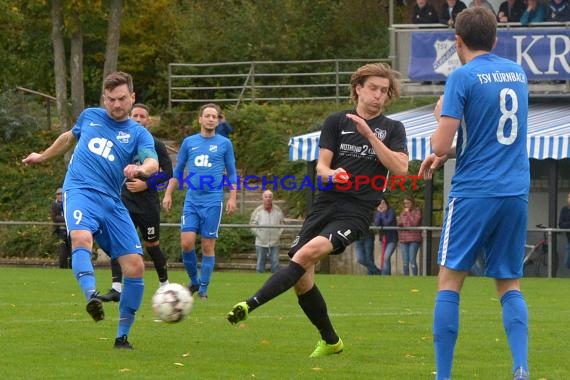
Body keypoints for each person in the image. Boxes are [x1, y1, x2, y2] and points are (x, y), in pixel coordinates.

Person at [226, 62, 409, 358]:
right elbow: (322, 167)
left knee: (305, 255)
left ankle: (251, 304)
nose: (378, 95)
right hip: (324, 205)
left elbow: (401, 168)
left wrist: (371, 136)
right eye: (372, 88)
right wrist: (331, 173)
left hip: (357, 211)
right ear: (358, 89)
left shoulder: (392, 129)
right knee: (302, 277)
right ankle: (330, 340)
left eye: (384, 91)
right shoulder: (336, 122)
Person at [418, 7, 530, 380]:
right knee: (508, 282)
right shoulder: (517, 73)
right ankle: (520, 368)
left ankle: (443, 376)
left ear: (458, 40)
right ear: (496, 39)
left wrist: (439, 119)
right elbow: (484, 138)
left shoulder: (462, 77)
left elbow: (441, 141)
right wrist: (445, 152)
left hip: (473, 191)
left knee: (449, 281)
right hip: (514, 190)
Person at [23, 71, 159, 350]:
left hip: (112, 201)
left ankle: (122, 337)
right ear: (104, 99)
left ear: (132, 97)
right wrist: (42, 156)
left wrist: (140, 169)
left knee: (135, 266)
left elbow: (152, 163)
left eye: (122, 99)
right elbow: (67, 138)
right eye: (110, 99)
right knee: (81, 238)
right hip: (80, 190)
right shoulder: (90, 116)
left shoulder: (138, 133)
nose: (116, 105)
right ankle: (92, 296)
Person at [98, 103, 173, 302]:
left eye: (142, 116)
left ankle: (165, 286)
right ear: (130, 117)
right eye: (135, 115)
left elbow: (167, 173)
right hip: (123, 200)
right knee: (118, 241)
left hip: (147, 203)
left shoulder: (156, 144)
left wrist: (146, 184)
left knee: (152, 244)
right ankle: (116, 288)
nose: (138, 119)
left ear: (148, 120)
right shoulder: (119, 142)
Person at [162, 102, 237, 300]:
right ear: (200, 119)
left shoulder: (224, 144)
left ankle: (203, 289)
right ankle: (194, 281)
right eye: (208, 116)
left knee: (207, 246)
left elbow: (231, 173)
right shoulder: (189, 142)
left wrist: (232, 197)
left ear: (218, 120)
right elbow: (177, 171)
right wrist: (168, 193)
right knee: (186, 244)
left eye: (215, 116)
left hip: (213, 201)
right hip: (192, 200)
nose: (211, 119)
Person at [250, 190, 285, 273]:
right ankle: (258, 281)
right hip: (260, 242)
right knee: (260, 264)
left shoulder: (278, 210)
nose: (268, 199)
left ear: (272, 198)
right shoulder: (258, 210)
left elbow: (282, 223)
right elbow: (252, 224)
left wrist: (278, 234)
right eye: (266, 197)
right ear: (263, 198)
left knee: (275, 263)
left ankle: (275, 281)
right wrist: (259, 234)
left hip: (275, 242)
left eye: (270, 197)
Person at [397, 196, 422, 276]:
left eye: (408, 203)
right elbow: (401, 222)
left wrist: (408, 214)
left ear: (412, 203)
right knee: (405, 261)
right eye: (405, 203)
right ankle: (406, 278)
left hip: (414, 239)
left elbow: (414, 223)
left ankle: (414, 277)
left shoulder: (417, 211)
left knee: (412, 260)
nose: (406, 205)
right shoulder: (403, 212)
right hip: (403, 239)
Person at [374, 198, 398, 275]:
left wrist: (383, 213)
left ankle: (385, 275)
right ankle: (386, 275)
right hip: (383, 238)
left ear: (386, 203)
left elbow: (387, 222)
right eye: (380, 203)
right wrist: (379, 213)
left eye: (383, 203)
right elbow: (377, 223)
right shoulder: (378, 212)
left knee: (386, 257)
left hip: (392, 239)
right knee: (385, 258)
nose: (382, 205)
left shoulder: (391, 211)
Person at [51, 187, 72, 269]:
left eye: (62, 194)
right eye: (58, 194)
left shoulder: (69, 203)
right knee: (62, 253)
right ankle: (63, 270)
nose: (60, 196)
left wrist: (61, 218)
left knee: (72, 252)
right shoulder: (54, 205)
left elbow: (71, 216)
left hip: (70, 231)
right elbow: (54, 218)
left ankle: (72, 269)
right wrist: (67, 218)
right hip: (60, 232)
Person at [559, 193, 570, 269]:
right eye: (569, 197)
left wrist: (566, 224)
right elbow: (560, 224)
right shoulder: (564, 209)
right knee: (567, 262)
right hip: (569, 239)